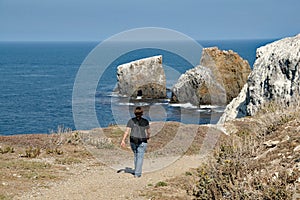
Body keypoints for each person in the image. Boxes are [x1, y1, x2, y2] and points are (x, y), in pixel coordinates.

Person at [120, 106, 150, 178]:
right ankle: (137, 173)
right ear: (142, 113)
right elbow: (148, 131)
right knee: (140, 156)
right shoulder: (145, 121)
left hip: (133, 140)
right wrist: (148, 136)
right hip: (142, 140)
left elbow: (127, 132)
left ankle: (136, 170)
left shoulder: (131, 121)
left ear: (134, 113)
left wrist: (123, 140)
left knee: (136, 155)